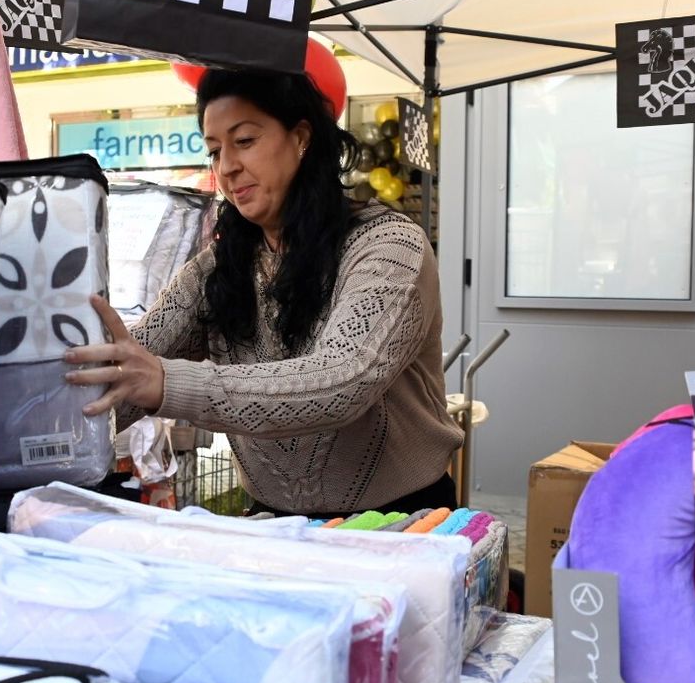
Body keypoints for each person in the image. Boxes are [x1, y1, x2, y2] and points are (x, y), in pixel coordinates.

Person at [62, 67, 463, 516]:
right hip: (274, 526)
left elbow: (344, 379)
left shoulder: (388, 247)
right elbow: (131, 364)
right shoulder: (216, 269)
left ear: (301, 138)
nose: (227, 166)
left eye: (245, 141)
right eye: (214, 151)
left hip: (405, 524)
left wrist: (168, 382)